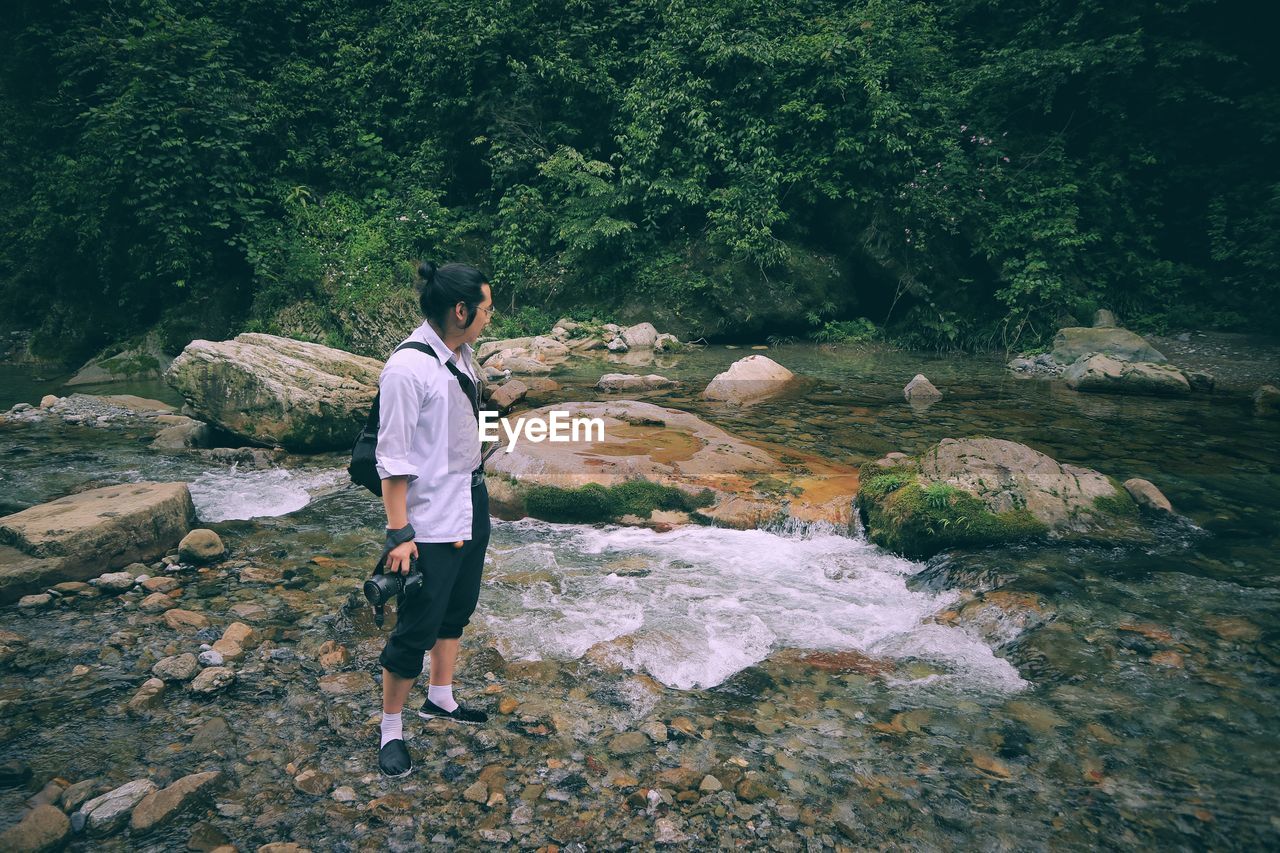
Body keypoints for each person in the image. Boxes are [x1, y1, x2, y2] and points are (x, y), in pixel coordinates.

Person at [374, 261, 495, 778]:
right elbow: (393, 458)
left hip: (471, 503)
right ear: (460, 310)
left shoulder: (462, 357)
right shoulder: (407, 369)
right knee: (414, 629)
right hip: (428, 522)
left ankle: (440, 698)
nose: (491, 318)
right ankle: (390, 731)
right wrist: (400, 535)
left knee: (456, 610)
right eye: (486, 309)